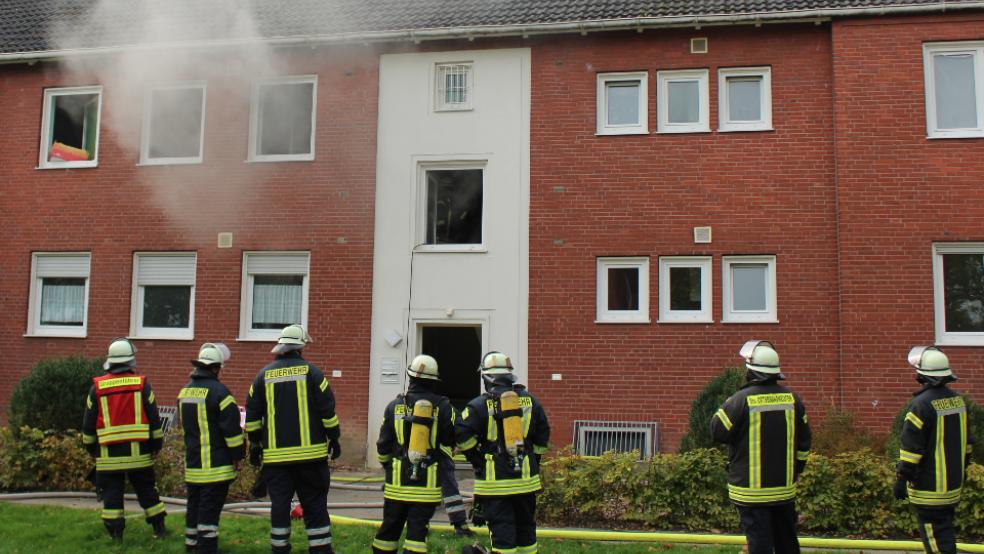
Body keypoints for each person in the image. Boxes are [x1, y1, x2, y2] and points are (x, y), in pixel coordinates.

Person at [244, 324, 340, 554]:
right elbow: (328, 412)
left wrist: (255, 446)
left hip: (277, 461)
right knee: (315, 504)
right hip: (312, 459)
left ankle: (279, 549)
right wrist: (334, 439)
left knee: (279, 506)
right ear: (300, 348)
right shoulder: (314, 374)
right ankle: (321, 549)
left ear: (280, 348)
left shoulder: (262, 376)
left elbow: (252, 416)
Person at [710, 340, 811, 554]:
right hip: (784, 490)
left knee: (759, 544)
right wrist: (797, 469)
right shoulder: (794, 399)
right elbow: (804, 442)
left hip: (751, 493)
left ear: (751, 372)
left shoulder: (741, 400)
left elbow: (717, 431)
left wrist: (728, 402)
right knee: (787, 542)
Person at [456, 352, 551, 554]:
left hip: (495, 483)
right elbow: (543, 438)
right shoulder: (531, 401)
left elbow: (462, 435)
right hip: (526, 481)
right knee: (526, 530)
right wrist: (533, 461)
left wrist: (477, 459)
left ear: (486, 378)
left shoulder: (478, 405)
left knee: (502, 531)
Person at [81, 338, 167, 541]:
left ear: (110, 361)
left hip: (108, 456)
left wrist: (92, 449)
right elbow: (154, 420)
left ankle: (116, 535)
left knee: (111, 495)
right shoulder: (141, 385)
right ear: (131, 362)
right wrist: (156, 445)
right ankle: (159, 529)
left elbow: (88, 426)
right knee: (147, 491)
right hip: (140, 455)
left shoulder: (97, 388)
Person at [894, 346, 976, 554]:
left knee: (937, 545)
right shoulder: (958, 401)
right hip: (952, 487)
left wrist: (902, 480)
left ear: (922, 375)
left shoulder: (920, 406)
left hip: (929, 491)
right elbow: (968, 445)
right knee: (945, 536)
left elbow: (911, 451)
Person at [372, 355, 456, 553]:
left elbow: (383, 445)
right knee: (417, 537)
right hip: (426, 487)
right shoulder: (444, 407)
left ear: (410, 378)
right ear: (433, 381)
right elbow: (450, 440)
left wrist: (389, 468)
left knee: (388, 532)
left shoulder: (394, 406)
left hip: (396, 485)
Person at [178, 343, 244, 553]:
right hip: (216, 467)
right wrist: (238, 456)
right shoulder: (221, 394)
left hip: (194, 465)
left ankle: (191, 544)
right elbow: (233, 434)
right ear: (216, 368)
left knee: (194, 506)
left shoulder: (184, 393)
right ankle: (207, 547)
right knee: (209, 509)